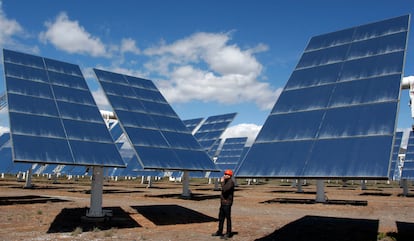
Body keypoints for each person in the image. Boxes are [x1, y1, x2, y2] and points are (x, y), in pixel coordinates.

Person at [212, 169, 235, 239]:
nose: (224, 175)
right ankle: (219, 231)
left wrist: (222, 182)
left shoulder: (231, 182)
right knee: (221, 218)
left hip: (227, 203)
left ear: (230, 175)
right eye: (225, 174)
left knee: (228, 218)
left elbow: (225, 190)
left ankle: (228, 233)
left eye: (226, 174)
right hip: (223, 203)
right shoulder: (226, 181)